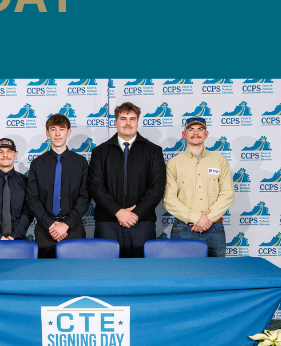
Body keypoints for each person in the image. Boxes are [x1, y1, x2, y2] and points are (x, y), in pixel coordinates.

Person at [88, 102, 166, 258]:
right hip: (107, 223)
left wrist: (135, 214)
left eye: (132, 118)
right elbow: (96, 186)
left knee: (141, 274)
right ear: (116, 122)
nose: (128, 123)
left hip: (142, 223)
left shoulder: (153, 151)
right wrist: (118, 212)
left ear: (137, 122)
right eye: (123, 118)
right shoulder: (100, 152)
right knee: (107, 273)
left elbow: (157, 187)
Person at [163, 117, 234, 257]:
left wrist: (206, 220)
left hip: (215, 228)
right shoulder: (173, 163)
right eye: (191, 129)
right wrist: (196, 218)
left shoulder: (220, 161)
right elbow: (169, 199)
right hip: (184, 228)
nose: (196, 133)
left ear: (206, 134)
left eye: (200, 129)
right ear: (184, 135)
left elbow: (227, 194)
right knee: (183, 274)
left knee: (217, 274)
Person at [26, 114, 89, 258]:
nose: (58, 133)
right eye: (53, 129)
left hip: (73, 228)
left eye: (62, 129)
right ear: (47, 133)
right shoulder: (37, 163)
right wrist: (50, 225)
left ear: (69, 132)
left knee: (75, 274)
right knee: (45, 275)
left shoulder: (80, 163)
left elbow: (84, 197)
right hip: (45, 229)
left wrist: (66, 224)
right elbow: (32, 198)